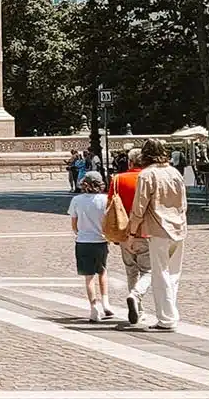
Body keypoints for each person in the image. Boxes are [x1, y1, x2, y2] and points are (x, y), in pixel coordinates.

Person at [125, 139, 189, 331]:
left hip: (158, 228)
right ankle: (171, 314)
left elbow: (139, 208)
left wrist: (132, 232)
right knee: (174, 273)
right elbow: (184, 203)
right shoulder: (175, 173)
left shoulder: (147, 175)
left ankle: (166, 318)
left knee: (160, 273)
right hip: (179, 227)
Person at [106, 149, 150, 326]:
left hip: (124, 232)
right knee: (148, 270)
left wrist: (113, 233)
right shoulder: (147, 178)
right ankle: (135, 295)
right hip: (145, 231)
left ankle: (138, 310)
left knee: (131, 270)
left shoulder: (117, 179)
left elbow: (109, 206)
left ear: (130, 162)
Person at [70, 171, 114, 321]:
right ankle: (106, 303)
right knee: (102, 272)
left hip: (83, 241)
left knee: (89, 277)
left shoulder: (77, 200)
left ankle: (94, 307)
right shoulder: (105, 199)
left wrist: (79, 232)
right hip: (100, 240)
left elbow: (74, 224)